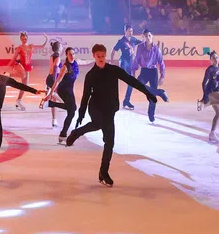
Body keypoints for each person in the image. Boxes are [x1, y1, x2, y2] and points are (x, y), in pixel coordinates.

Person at [64, 43, 158, 187]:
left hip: (109, 109)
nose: (101, 58)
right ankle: (77, 133)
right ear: (94, 56)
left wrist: (147, 92)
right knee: (99, 124)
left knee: (110, 142)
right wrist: (81, 114)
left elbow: (131, 80)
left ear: (105, 55)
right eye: (98, 56)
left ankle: (103, 172)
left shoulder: (113, 70)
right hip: (95, 107)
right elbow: (85, 96)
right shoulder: (91, 75)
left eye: (103, 55)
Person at [39, 47, 91, 143]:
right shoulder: (65, 67)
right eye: (70, 54)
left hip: (70, 90)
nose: (72, 56)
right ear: (66, 55)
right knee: (72, 111)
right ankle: (63, 134)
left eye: (73, 53)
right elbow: (57, 81)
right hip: (63, 90)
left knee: (72, 110)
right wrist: (50, 94)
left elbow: (84, 62)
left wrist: (95, 60)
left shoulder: (76, 62)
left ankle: (51, 105)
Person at [134, 29, 170, 122]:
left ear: (152, 36)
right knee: (138, 84)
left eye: (149, 35)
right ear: (143, 37)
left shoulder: (156, 49)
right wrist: (133, 71)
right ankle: (160, 92)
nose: (148, 38)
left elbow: (161, 63)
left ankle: (151, 114)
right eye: (146, 36)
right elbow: (137, 59)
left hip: (153, 72)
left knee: (152, 95)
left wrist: (162, 76)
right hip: (144, 71)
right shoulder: (140, 47)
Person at [10, 31, 49, 110]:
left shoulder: (31, 46)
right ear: (20, 39)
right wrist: (7, 66)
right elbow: (13, 59)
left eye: (25, 39)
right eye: (22, 39)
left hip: (27, 67)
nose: (24, 40)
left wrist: (47, 39)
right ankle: (18, 100)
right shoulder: (19, 48)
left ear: (27, 38)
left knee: (24, 85)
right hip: (21, 66)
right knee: (24, 85)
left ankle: (18, 100)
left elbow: (41, 46)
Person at [110, 24, 141, 110]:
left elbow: (142, 43)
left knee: (132, 82)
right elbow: (113, 50)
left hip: (130, 63)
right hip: (123, 61)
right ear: (125, 31)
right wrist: (111, 61)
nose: (131, 32)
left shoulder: (134, 39)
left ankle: (126, 101)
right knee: (124, 69)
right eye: (129, 31)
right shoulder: (121, 41)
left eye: (132, 31)